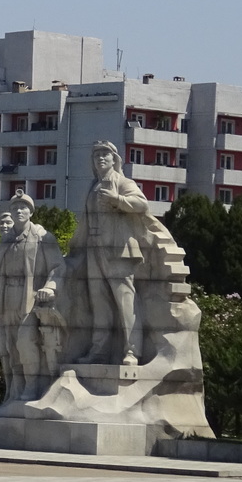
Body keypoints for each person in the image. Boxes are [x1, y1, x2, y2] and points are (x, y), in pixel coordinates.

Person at [0, 191, 66, 403]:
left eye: (23, 207)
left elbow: (58, 267)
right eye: (15, 208)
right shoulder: (5, 243)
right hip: (6, 300)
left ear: (31, 212)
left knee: (26, 342)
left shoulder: (43, 237)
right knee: (11, 348)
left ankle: (33, 387)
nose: (18, 211)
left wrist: (51, 287)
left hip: (31, 299)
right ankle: (16, 391)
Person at [78, 140, 153, 366]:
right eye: (96, 155)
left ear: (114, 159)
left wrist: (117, 200)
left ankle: (132, 351)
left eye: (105, 154)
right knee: (99, 302)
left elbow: (142, 204)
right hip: (94, 248)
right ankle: (99, 351)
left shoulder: (122, 182)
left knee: (125, 301)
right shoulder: (93, 186)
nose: (100, 158)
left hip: (119, 250)